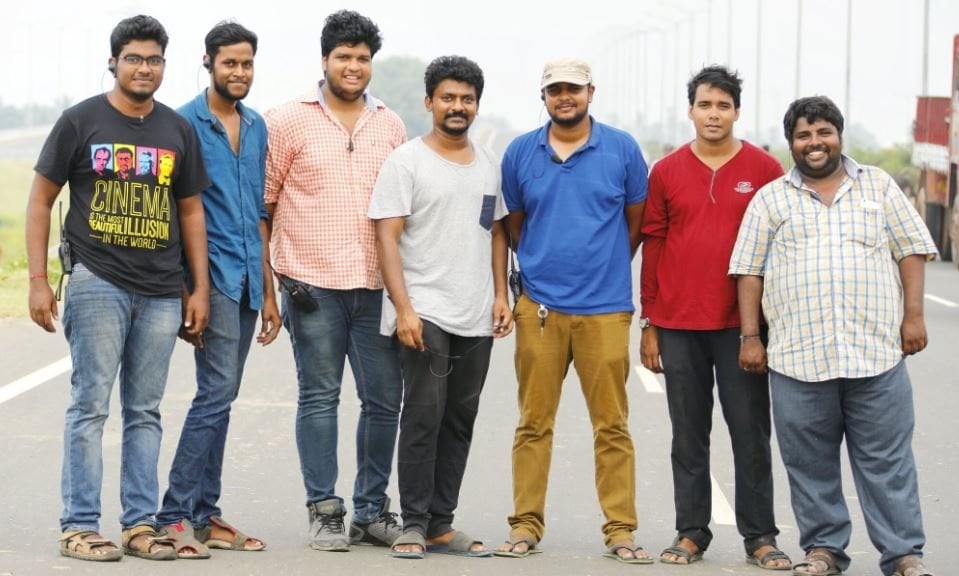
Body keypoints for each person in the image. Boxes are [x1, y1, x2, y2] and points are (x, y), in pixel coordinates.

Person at [25, 14, 210, 563]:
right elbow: (40, 200)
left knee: (146, 410)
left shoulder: (177, 129)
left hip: (159, 290)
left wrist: (195, 288)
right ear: (113, 62)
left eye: (153, 59)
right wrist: (38, 280)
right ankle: (79, 525)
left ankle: (138, 525)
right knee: (90, 406)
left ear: (163, 66)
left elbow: (191, 211)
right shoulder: (80, 121)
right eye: (133, 58)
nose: (144, 68)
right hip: (97, 282)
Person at [730, 95, 938, 576]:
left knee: (888, 463)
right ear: (792, 143)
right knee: (809, 464)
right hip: (798, 358)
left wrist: (914, 316)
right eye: (803, 135)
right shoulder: (771, 198)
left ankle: (904, 554)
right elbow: (748, 271)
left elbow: (910, 250)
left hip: (875, 356)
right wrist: (749, 337)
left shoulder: (879, 187)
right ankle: (823, 550)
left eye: (823, 132)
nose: (814, 142)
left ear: (839, 135)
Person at [495, 57, 650, 563]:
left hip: (605, 309)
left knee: (612, 425)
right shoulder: (521, 152)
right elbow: (516, 227)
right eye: (555, 89)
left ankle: (621, 529)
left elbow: (634, 224)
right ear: (543, 96)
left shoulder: (622, 150)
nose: (565, 97)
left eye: (574, 89)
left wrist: (599, 269)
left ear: (591, 93)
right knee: (532, 423)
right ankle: (525, 525)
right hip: (538, 307)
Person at [264, 9, 406, 552]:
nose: (353, 66)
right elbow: (265, 205)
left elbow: (399, 213)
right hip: (310, 286)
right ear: (324, 60)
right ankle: (324, 510)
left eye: (362, 58)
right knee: (320, 398)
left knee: (383, 401)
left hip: (374, 286)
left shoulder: (390, 123)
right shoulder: (286, 121)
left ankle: (371, 510)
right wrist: (271, 284)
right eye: (343, 57)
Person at [639, 66, 790, 570]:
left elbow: (779, 250)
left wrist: (766, 329)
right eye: (705, 104)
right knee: (688, 435)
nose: (713, 114)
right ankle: (690, 533)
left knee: (750, 433)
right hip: (679, 324)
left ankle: (761, 537)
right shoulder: (665, 171)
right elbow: (654, 246)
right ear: (691, 110)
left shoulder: (766, 169)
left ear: (737, 112)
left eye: (723, 106)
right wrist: (651, 322)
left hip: (742, 328)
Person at [369, 55, 511, 560]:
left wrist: (500, 294)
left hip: (475, 310)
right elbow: (387, 237)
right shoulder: (406, 161)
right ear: (429, 102)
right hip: (424, 308)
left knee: (460, 417)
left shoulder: (491, 165)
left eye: (466, 99)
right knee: (424, 415)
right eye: (448, 97)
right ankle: (412, 522)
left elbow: (496, 233)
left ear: (476, 105)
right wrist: (403, 308)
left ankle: (441, 524)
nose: (457, 106)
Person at [154, 21, 280, 559]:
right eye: (229, 62)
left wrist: (270, 291)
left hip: (249, 279)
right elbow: (174, 215)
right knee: (214, 395)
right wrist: (191, 289)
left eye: (247, 63)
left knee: (222, 399)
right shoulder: (183, 123)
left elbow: (257, 213)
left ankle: (205, 513)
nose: (239, 72)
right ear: (207, 62)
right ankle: (174, 514)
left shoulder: (255, 127)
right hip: (213, 279)